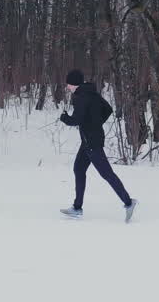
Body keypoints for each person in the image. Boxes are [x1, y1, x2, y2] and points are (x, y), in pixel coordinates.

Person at [59, 70, 137, 223]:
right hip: (90, 140)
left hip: (92, 142)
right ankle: (77, 208)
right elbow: (108, 109)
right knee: (79, 169)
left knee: (107, 174)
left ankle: (128, 202)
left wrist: (64, 118)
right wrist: (95, 123)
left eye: (68, 84)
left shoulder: (80, 97)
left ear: (74, 84)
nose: (67, 86)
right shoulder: (92, 93)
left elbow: (77, 119)